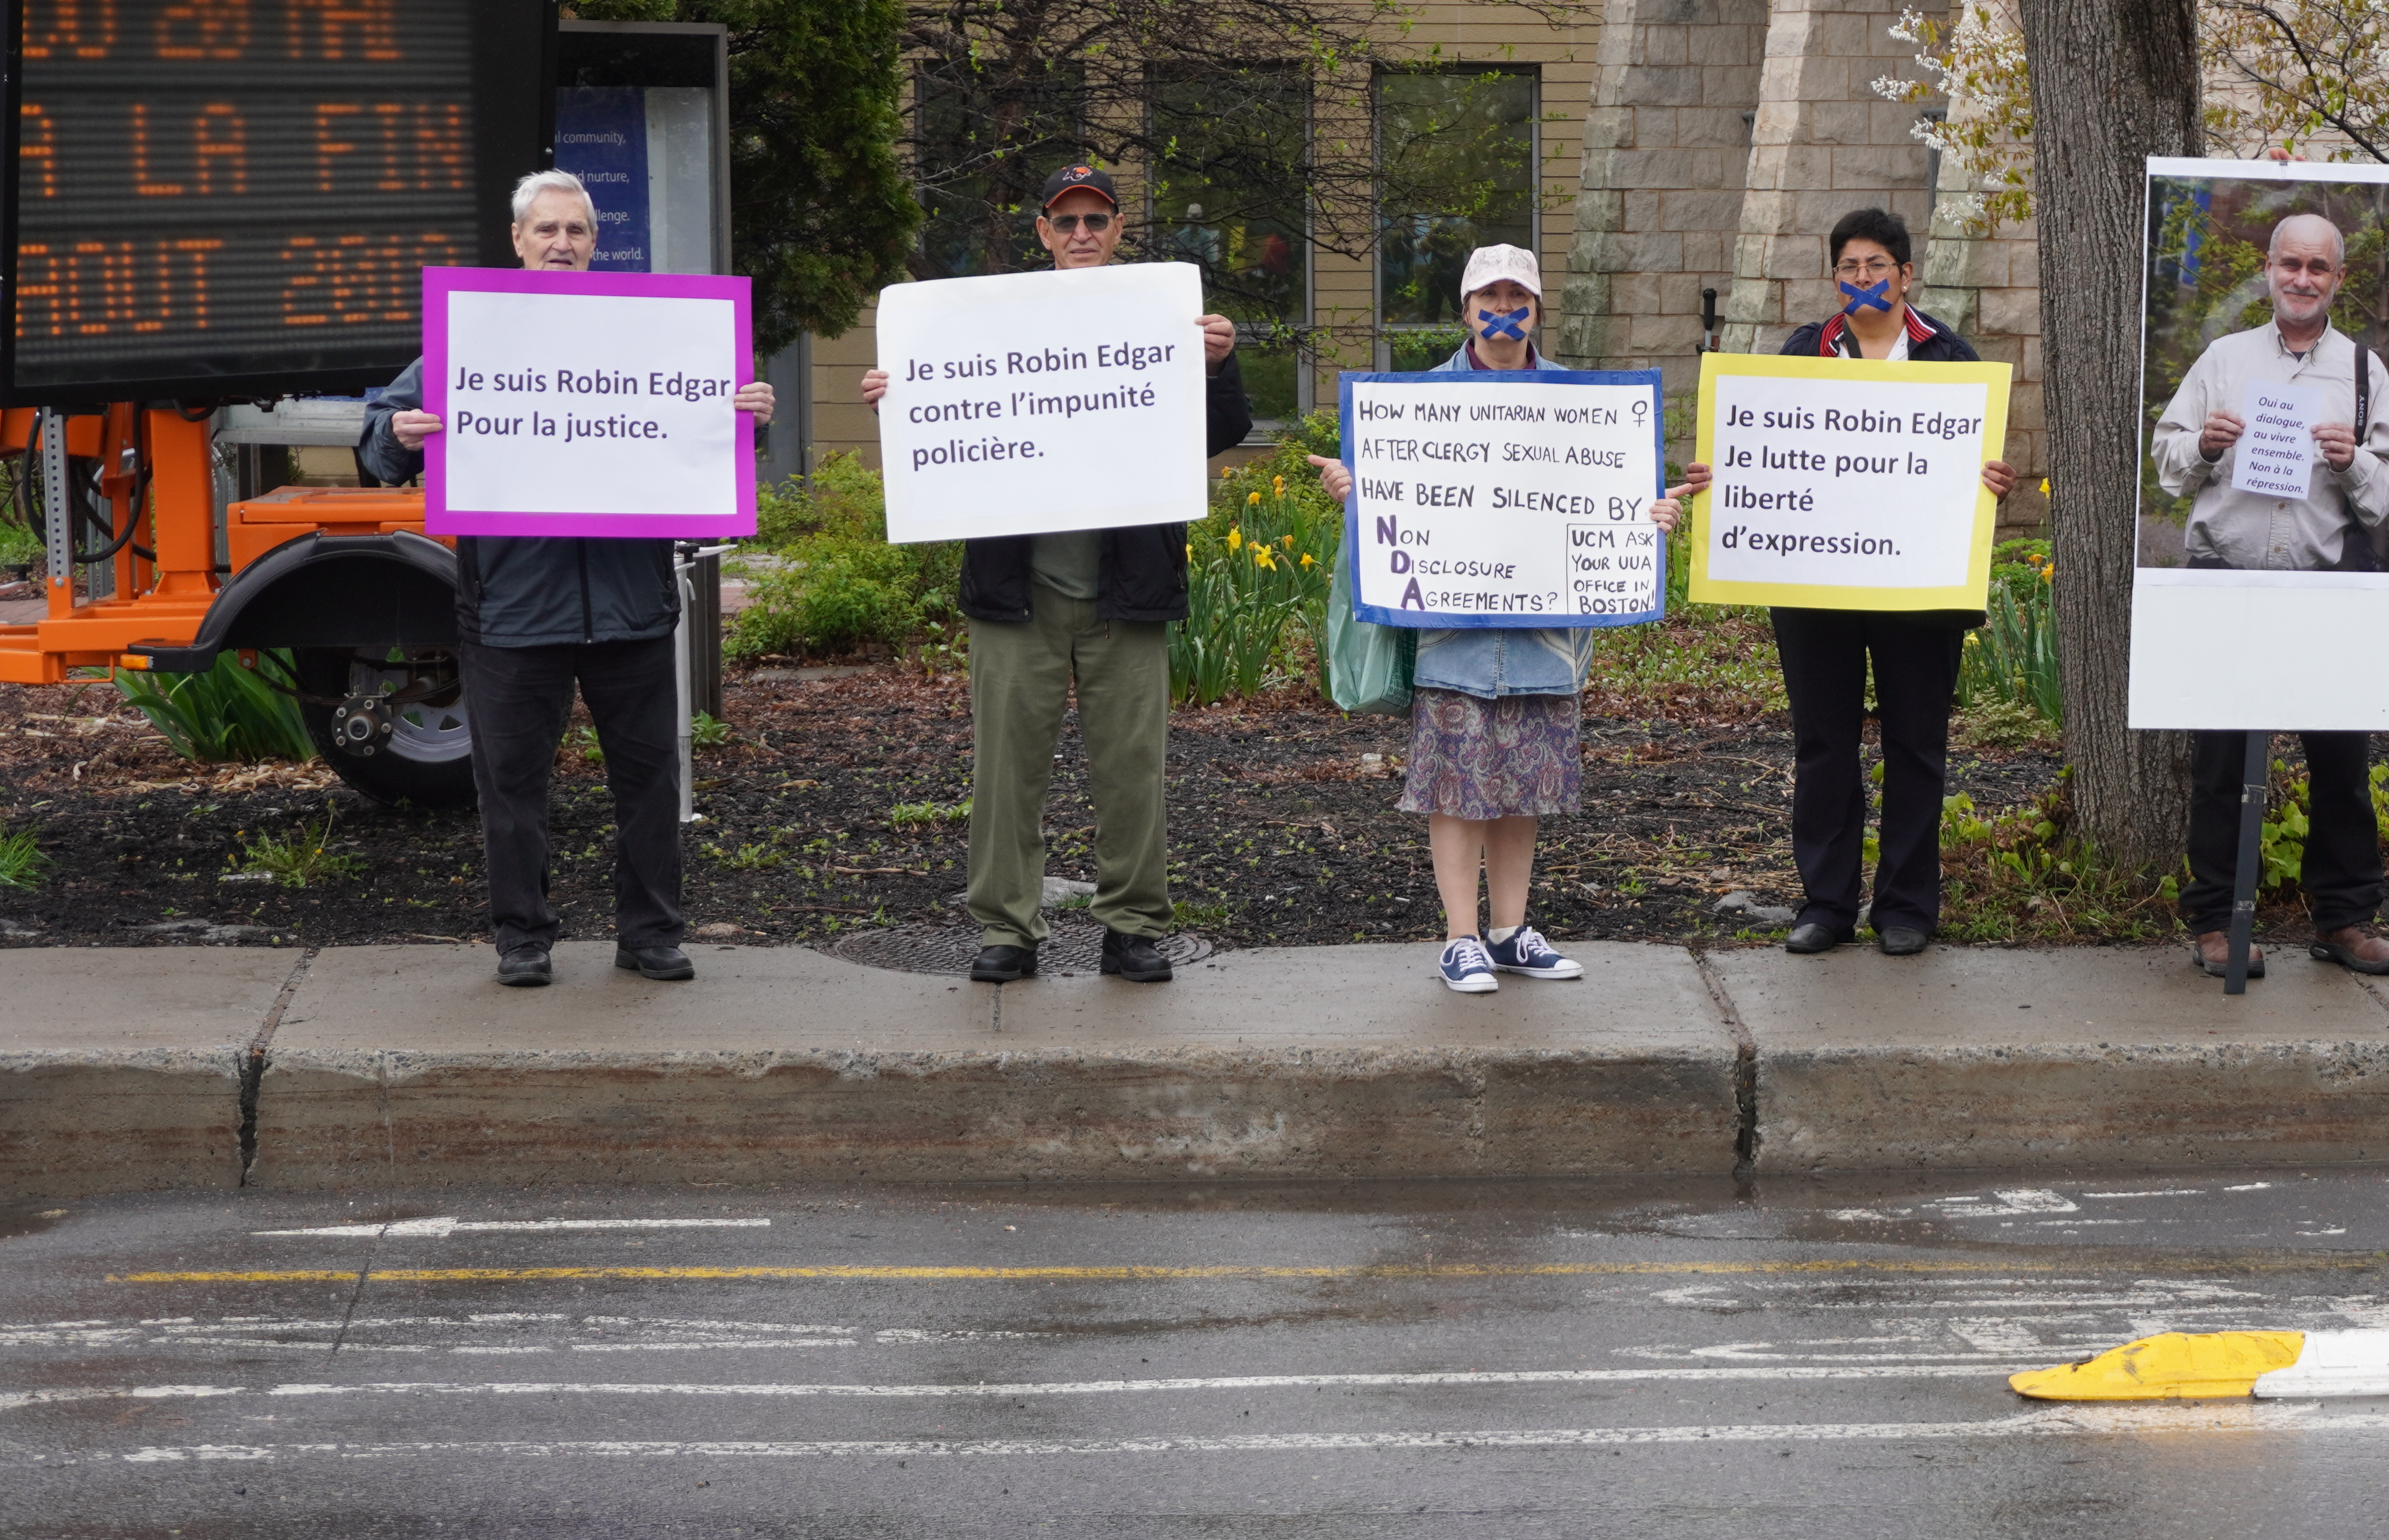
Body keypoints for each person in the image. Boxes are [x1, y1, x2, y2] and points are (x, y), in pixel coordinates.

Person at [362, 169, 778, 989]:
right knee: (512, 788)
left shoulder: (648, 333)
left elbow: (701, 436)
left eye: (577, 231)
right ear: (517, 241)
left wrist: (748, 421)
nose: (562, 243)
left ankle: (651, 933)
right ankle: (523, 937)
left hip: (631, 606)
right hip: (513, 610)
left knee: (650, 783)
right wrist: (400, 435)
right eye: (546, 230)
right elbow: (377, 441)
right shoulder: (471, 334)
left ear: (595, 243)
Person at [859, 163, 1248, 986]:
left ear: (1116, 232)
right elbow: (944, 419)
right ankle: (1007, 929)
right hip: (1016, 591)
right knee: (1005, 771)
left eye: (1095, 222)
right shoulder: (989, 324)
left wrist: (1215, 364)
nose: (1081, 235)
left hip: (1128, 589)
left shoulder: (1161, 320)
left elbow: (1217, 434)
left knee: (1132, 769)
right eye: (1065, 222)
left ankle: (1134, 927)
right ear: (1042, 232)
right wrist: (901, 396)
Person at [1311, 244, 1691, 995]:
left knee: (1526, 783)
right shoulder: (1415, 404)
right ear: (1466, 311)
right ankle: (1460, 938)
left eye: (1518, 295)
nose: (1504, 309)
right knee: (1454, 786)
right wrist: (1357, 488)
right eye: (1490, 296)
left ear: (1538, 310)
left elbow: (1612, 503)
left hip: (1545, 637)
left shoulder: (1588, 408)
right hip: (1454, 636)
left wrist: (1652, 514)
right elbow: (1392, 504)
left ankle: (1512, 930)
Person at [1677, 207, 2016, 956]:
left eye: (1876, 267)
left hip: (1917, 593)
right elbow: (1764, 444)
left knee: (1916, 745)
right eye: (1849, 269)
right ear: (1836, 278)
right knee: (1824, 744)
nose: (1863, 280)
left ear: (1905, 274)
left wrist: (1991, 477)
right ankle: (1825, 904)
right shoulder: (1803, 351)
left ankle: (1904, 908)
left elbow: (1974, 463)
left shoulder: (1950, 359)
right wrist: (1718, 473)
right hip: (1815, 587)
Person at [2146, 211, 2389, 979]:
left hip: (2325, 588)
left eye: (2318, 268)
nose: (2302, 279)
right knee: (2221, 761)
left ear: (2338, 279)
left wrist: (2352, 459)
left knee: (2341, 758)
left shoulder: (2365, 371)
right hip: (2227, 580)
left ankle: (2344, 921)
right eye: (2290, 264)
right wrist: (2204, 443)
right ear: (2268, 269)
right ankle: (2215, 922)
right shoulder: (2223, 360)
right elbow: (2167, 458)